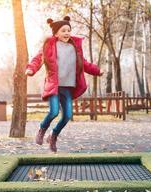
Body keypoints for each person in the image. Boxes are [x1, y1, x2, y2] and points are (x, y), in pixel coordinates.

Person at [25, 16, 104, 152]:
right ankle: (42, 129)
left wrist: (97, 70)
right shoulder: (49, 46)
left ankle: (53, 135)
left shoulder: (75, 47)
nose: (67, 33)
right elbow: (38, 58)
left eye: (68, 30)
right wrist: (31, 68)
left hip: (68, 87)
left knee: (67, 115)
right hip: (54, 86)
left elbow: (84, 64)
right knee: (54, 111)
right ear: (56, 33)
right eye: (63, 31)